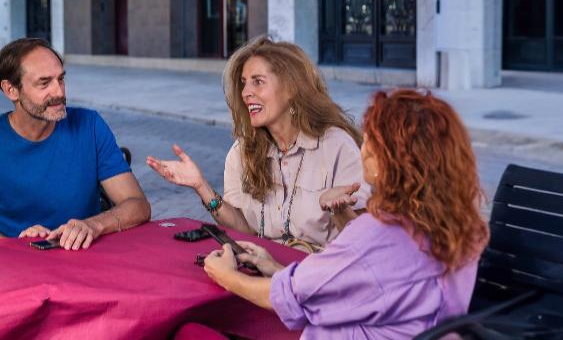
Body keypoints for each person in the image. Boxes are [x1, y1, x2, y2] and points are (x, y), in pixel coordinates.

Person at [201, 89, 489, 338]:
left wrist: (226, 276)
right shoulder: (459, 224)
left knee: (195, 332)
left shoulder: (378, 234)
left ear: (395, 159)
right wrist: (276, 268)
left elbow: (283, 297)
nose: (363, 151)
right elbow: (357, 286)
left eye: (371, 142)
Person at [147, 36, 366, 252]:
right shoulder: (242, 151)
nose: (246, 93)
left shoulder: (336, 145)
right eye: (244, 83)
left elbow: (364, 243)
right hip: (263, 269)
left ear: (291, 88)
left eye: (258, 82)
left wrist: (339, 209)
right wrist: (201, 187)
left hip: (319, 275)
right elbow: (243, 231)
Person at [0, 38, 151, 250]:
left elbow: (138, 205)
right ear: (11, 89)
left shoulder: (90, 126)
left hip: (82, 260)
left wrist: (93, 225)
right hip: (12, 267)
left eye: (61, 79)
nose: (58, 92)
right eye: (44, 83)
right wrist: (16, 245)